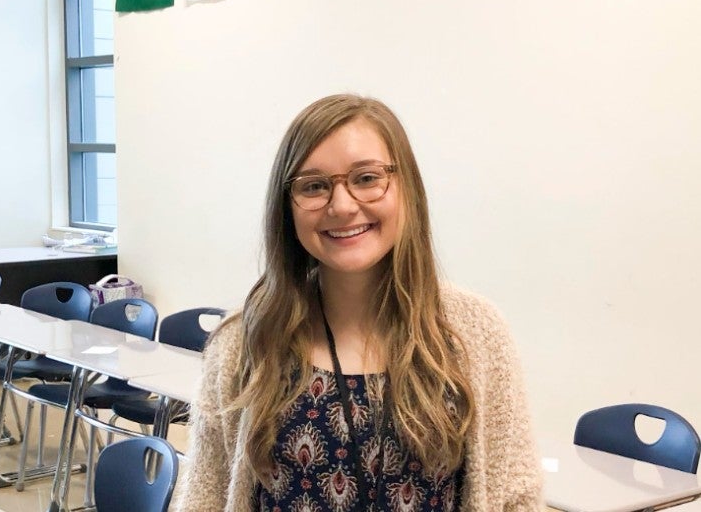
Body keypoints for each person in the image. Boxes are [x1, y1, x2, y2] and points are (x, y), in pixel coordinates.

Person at [173, 94, 542, 512]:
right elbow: (202, 499)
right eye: (314, 186)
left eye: (367, 178)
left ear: (407, 188)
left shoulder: (476, 333)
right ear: (287, 207)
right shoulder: (242, 344)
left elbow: (515, 497)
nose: (343, 205)